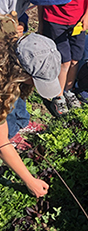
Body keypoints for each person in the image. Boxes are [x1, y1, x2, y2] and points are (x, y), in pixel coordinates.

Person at [0, 30, 62, 198]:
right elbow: (0, 142)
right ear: (22, 72)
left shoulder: (11, 42)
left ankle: (17, 124)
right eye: (36, 80)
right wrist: (30, 181)